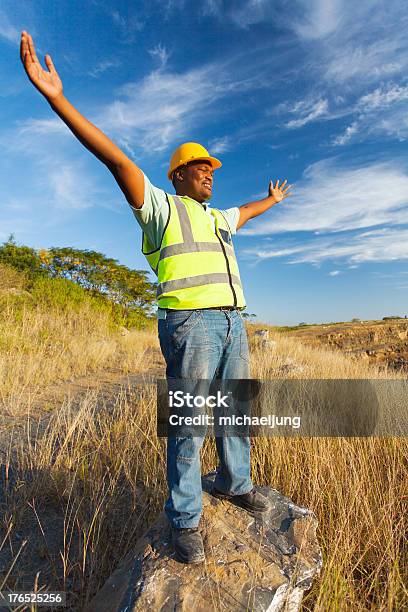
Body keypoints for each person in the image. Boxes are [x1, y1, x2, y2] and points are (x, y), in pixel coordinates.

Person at [20, 31, 293, 564]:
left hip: (234, 324)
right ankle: (185, 521)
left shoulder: (220, 218)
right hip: (191, 326)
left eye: (213, 168)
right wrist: (57, 99)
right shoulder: (161, 208)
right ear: (178, 174)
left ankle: (237, 484)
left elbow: (248, 211)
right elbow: (117, 161)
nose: (210, 173)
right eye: (201, 167)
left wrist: (273, 199)